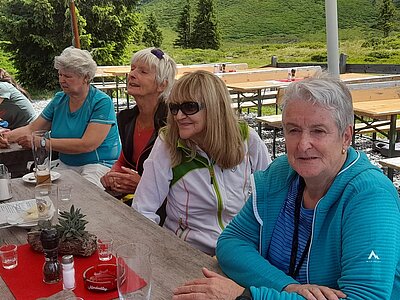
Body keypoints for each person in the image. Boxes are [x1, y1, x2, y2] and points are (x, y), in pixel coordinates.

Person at [172, 72, 400, 300]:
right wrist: (288, 287)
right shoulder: (282, 174)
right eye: (293, 130)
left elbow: (365, 297)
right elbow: (231, 243)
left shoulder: (370, 197)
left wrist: (247, 296)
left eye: (318, 131)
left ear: (346, 137)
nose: (303, 144)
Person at [133, 70, 272, 255]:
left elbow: (272, 197)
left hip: (241, 252)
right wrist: (159, 253)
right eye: (174, 108)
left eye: (189, 107)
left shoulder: (246, 138)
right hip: (188, 253)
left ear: (215, 107)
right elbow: (143, 209)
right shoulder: (169, 143)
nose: (179, 116)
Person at [0, 46, 121, 187]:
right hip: (66, 164)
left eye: (68, 76)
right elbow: (32, 128)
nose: (62, 80)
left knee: (82, 193)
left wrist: (43, 143)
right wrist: (5, 138)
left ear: (86, 77)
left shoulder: (101, 102)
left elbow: (88, 144)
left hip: (98, 165)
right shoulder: (60, 99)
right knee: (38, 187)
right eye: (60, 75)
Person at [100, 48, 177, 201]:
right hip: (138, 202)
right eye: (132, 69)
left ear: (162, 85)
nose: (132, 74)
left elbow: (182, 183)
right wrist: (112, 176)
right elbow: (123, 161)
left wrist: (143, 184)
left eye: (143, 72)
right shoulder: (127, 119)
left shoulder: (174, 123)